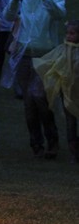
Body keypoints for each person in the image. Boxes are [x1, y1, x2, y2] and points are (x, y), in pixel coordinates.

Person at [2, 0, 66, 159]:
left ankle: (52, 139)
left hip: (46, 54)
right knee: (29, 101)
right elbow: (8, 16)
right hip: (24, 53)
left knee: (39, 96)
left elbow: (60, 14)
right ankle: (36, 144)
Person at [33, 20, 79, 163]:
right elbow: (52, 64)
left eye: (73, 33)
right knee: (71, 123)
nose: (69, 36)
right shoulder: (62, 49)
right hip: (68, 95)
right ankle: (74, 153)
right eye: (68, 33)